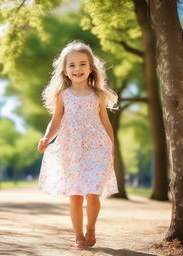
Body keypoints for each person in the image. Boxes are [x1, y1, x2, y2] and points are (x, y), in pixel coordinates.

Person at [37, 40, 119, 249]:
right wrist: (47, 138)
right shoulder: (62, 95)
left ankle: (91, 227)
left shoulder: (98, 95)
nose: (77, 69)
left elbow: (106, 123)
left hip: (97, 149)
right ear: (64, 71)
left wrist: (112, 148)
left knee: (92, 194)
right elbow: (56, 121)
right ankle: (78, 235)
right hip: (71, 151)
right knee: (75, 196)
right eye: (71, 65)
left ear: (91, 68)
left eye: (82, 64)